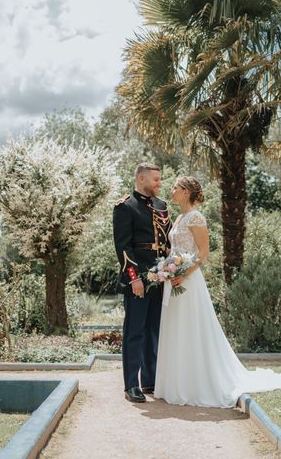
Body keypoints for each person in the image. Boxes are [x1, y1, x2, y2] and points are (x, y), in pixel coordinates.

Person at [154, 176, 281, 408]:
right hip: (174, 280)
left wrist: (183, 273)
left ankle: (196, 384)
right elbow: (176, 249)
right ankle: (177, 383)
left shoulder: (195, 217)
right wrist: (167, 270)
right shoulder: (179, 217)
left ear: (186, 192)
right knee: (177, 328)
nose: (171, 191)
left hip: (189, 282)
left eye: (175, 188)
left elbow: (203, 253)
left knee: (192, 328)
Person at [113, 163, 172, 403]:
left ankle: (149, 380)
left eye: (160, 179)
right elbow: (123, 246)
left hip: (160, 278)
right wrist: (133, 276)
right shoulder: (125, 206)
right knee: (134, 332)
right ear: (141, 179)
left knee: (153, 331)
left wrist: (170, 271)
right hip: (138, 278)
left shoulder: (162, 206)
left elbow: (167, 243)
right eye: (155, 179)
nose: (159, 183)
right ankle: (131, 385)